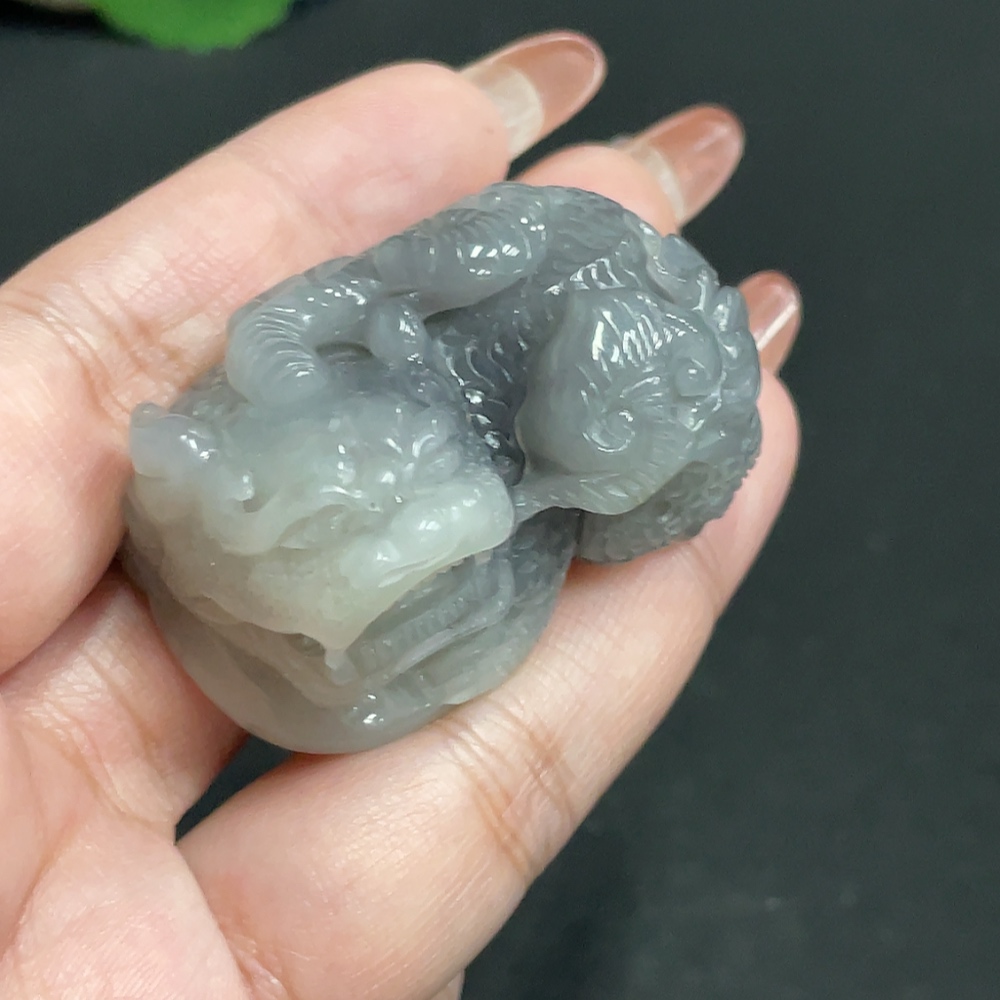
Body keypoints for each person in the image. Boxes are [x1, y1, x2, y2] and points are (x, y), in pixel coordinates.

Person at [0, 30, 801, 1000]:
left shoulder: (546, 505)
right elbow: (324, 307)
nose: (608, 440)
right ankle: (254, 529)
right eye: (628, 411)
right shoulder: (514, 259)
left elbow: (555, 519)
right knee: (342, 504)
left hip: (361, 576)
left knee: (423, 555)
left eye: (628, 447)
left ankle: (290, 566)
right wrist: (294, 360)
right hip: (310, 460)